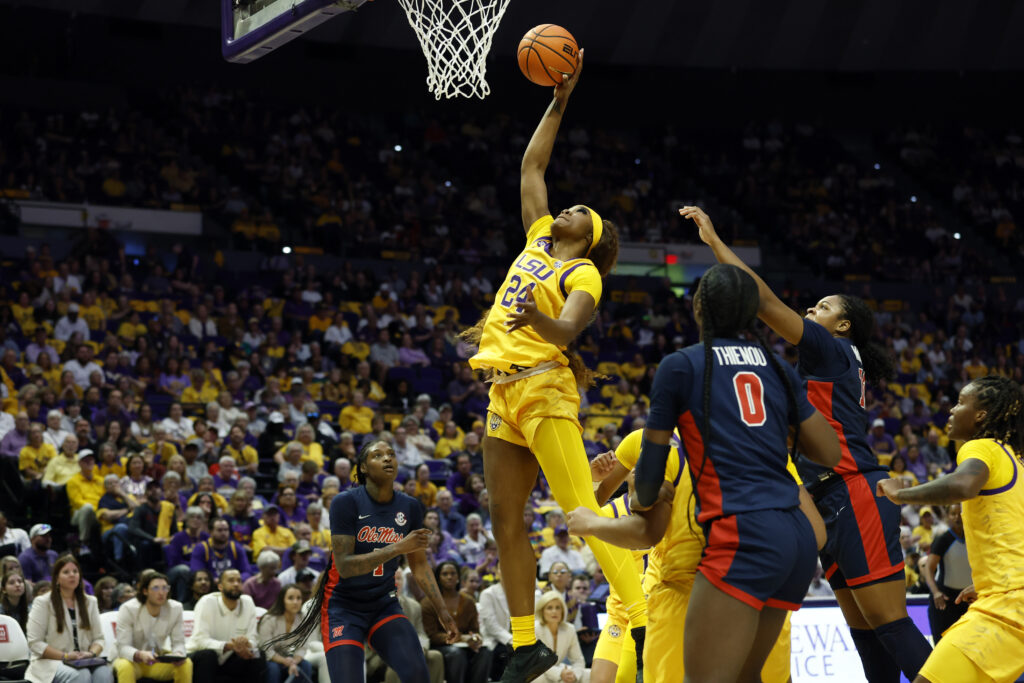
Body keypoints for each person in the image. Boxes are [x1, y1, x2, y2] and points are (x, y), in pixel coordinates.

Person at [459, 55, 650, 681]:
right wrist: (561, 97)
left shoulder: (583, 270)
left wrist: (531, 324)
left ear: (590, 236)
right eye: (567, 207)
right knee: (504, 523)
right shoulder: (538, 236)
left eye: (579, 212)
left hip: (545, 390)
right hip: (501, 395)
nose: (566, 208)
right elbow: (532, 165)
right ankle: (525, 646)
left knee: (581, 513)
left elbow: (569, 328)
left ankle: (645, 618)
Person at [688, 205, 934, 680]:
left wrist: (716, 242)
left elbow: (762, 301)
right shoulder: (829, 361)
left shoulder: (831, 348)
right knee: (865, 629)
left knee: (891, 624)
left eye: (822, 307)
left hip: (853, 490)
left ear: (843, 325)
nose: (809, 311)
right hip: (828, 499)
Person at [624, 263, 840, 682]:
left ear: (698, 307)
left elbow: (648, 482)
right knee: (746, 677)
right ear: (751, 314)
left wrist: (642, 496)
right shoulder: (778, 367)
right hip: (795, 541)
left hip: (745, 533)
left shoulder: (680, 365)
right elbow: (829, 452)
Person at [264, 439, 458, 681]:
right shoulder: (345, 502)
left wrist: (442, 610)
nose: (387, 458)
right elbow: (345, 566)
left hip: (383, 603)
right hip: (343, 606)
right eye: (378, 455)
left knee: (418, 674)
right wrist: (397, 547)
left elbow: (419, 564)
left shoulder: (410, 506)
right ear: (363, 468)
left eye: (391, 454)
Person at [877, 375, 1024, 683]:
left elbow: (963, 484)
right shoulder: (1016, 460)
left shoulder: (981, 448)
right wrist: (989, 582)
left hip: (1006, 606)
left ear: (981, 415)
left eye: (960, 403)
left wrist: (900, 494)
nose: (952, 410)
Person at [25, 554, 113, 683]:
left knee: (104, 673)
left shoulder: (90, 602)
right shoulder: (43, 602)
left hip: (83, 659)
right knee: (80, 675)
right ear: (57, 579)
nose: (72, 575)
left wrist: (91, 654)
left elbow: (99, 639)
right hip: (50, 661)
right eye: (66, 572)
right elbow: (35, 643)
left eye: (75, 571)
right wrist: (65, 656)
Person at [112, 571, 192, 683]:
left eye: (165, 588)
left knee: (186, 663)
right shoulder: (128, 609)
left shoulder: (175, 608)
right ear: (145, 591)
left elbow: (178, 642)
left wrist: (178, 654)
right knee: (125, 666)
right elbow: (123, 647)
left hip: (156, 660)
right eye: (155, 588)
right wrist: (140, 654)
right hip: (130, 660)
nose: (161, 592)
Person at [186, 568, 264, 680]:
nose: (236, 584)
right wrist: (228, 646)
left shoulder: (247, 602)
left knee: (257, 654)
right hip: (199, 656)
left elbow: (254, 638)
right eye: (231, 581)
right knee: (208, 655)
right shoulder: (206, 602)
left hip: (230, 657)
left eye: (239, 581)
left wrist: (247, 644)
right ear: (220, 586)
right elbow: (200, 641)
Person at [422, 560, 492, 683]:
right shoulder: (429, 603)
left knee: (485, 652)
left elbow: (475, 630)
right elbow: (432, 635)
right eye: (445, 574)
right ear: (438, 578)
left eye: (453, 573)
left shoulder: (469, 601)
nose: (449, 577)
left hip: (465, 644)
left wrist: (475, 638)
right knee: (457, 654)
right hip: (441, 646)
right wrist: (459, 638)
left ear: (459, 577)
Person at [920, 503, 971, 645]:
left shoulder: (974, 537)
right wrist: (936, 592)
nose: (957, 517)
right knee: (942, 647)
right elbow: (928, 569)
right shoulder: (943, 539)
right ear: (947, 516)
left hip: (968, 600)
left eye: (960, 513)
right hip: (944, 601)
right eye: (953, 514)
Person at [258, 584, 313, 683]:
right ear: (282, 600)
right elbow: (266, 650)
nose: (295, 602)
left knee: (306, 665)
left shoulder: (303, 618)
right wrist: (286, 662)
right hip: (269, 659)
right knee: (273, 669)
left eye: (298, 598)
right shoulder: (269, 619)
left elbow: (302, 647)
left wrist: (294, 662)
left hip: (289, 658)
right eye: (290, 598)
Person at [534, 592, 588, 683]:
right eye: (549, 608)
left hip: (559, 672)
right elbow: (538, 663)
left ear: (562, 611)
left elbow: (578, 660)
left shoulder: (569, 629)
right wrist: (560, 673)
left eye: (557, 607)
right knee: (539, 679)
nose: (554, 611)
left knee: (589, 674)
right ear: (542, 611)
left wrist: (574, 675)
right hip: (536, 672)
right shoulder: (534, 629)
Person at [189, 518, 254, 581]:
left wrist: (234, 580)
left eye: (226, 530)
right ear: (211, 532)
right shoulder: (201, 548)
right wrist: (216, 581)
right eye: (219, 530)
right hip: (210, 587)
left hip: (232, 586)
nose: (223, 533)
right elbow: (196, 572)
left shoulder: (236, 548)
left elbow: (247, 572)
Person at [1, 567, 29, 633]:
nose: (17, 585)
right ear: (4, 590)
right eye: (11, 583)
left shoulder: (30, 608)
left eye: (20, 581)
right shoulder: (1, 610)